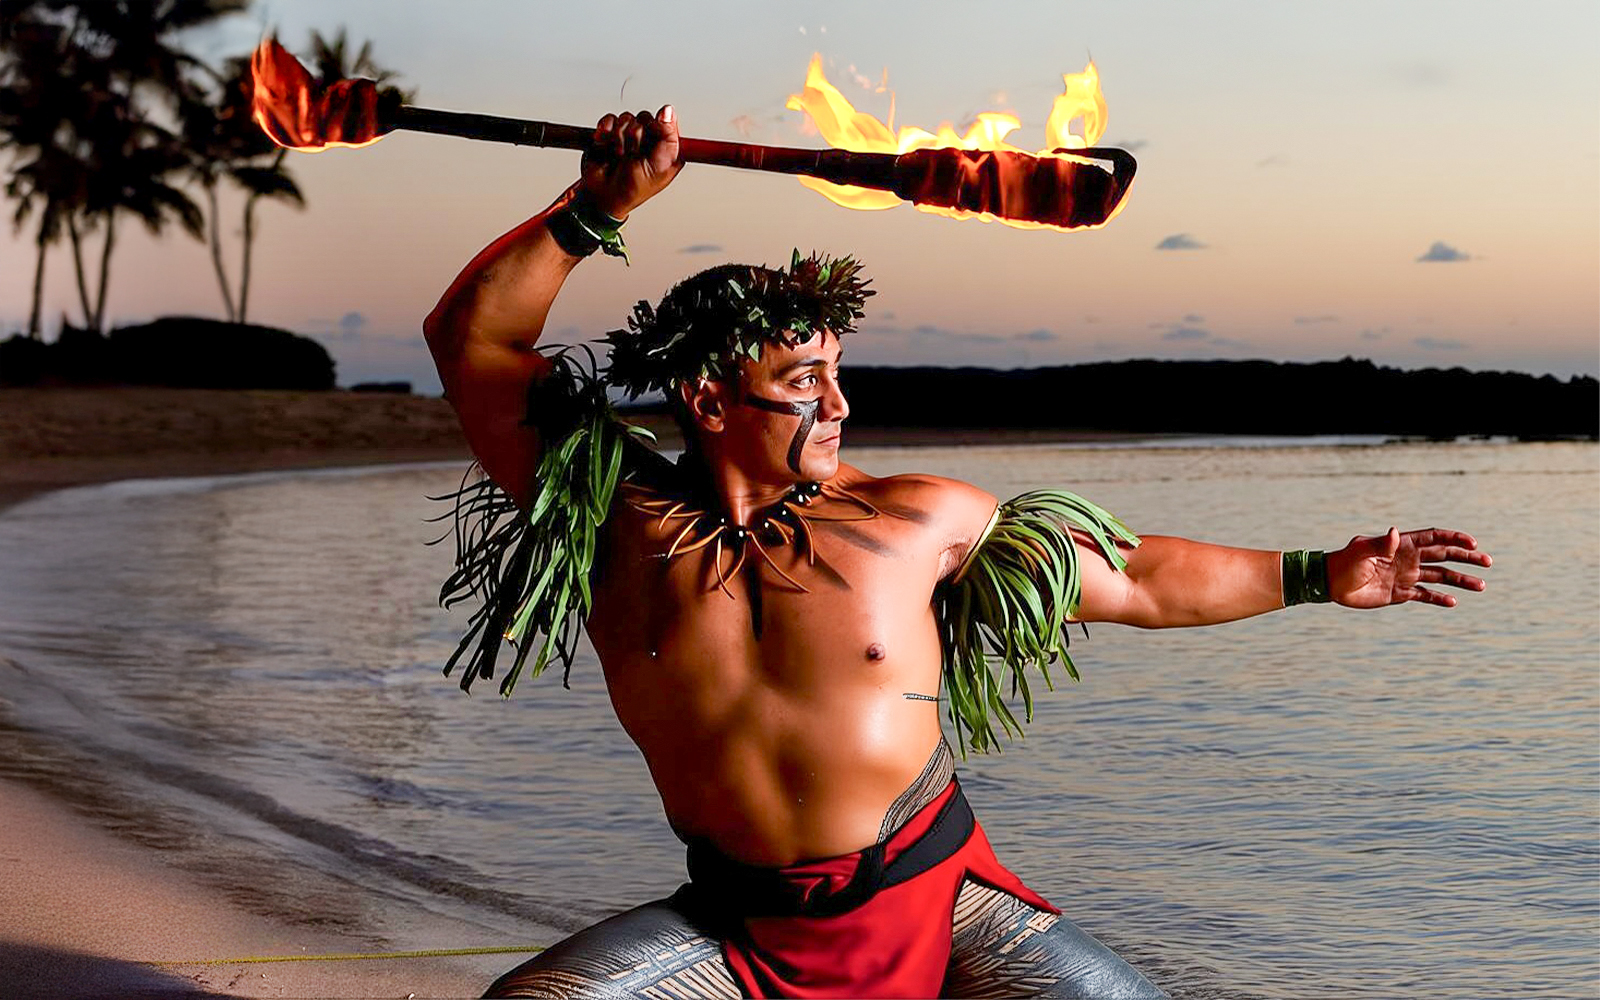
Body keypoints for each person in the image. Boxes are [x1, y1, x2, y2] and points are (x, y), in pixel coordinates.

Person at [422, 106, 1491, 1000]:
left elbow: (1133, 576)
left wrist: (1317, 575)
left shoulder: (911, 522)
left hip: (941, 910)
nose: (840, 404)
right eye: (805, 381)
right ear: (707, 399)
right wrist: (597, 207)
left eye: (839, 372)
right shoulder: (614, 516)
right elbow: (472, 340)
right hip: (737, 932)